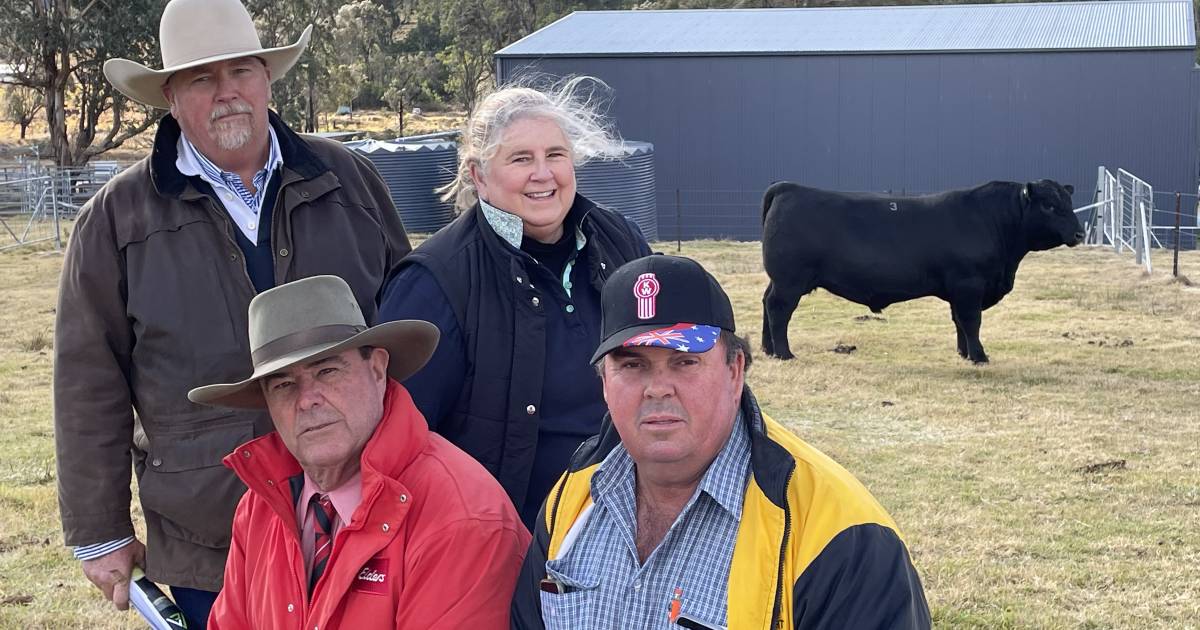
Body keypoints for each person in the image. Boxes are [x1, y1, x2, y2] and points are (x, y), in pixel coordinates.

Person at [53, 0, 410, 626]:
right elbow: (88, 380)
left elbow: (402, 322)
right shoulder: (115, 220)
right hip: (207, 531)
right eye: (201, 78)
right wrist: (99, 529)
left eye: (241, 71)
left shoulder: (349, 180)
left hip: (363, 509)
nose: (227, 93)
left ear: (267, 78)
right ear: (169, 95)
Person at [511, 254, 931, 629]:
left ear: (735, 371)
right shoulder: (573, 496)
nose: (658, 388)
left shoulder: (841, 533)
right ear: (604, 381)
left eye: (684, 362)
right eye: (633, 364)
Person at [378, 77, 652, 527]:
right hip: (511, 544)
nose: (542, 174)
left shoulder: (621, 240)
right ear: (479, 175)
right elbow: (400, 441)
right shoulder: (435, 281)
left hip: (634, 527)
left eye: (555, 155)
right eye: (520, 158)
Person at [187, 275, 529, 629]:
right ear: (267, 404)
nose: (307, 399)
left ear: (378, 370)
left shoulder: (463, 520)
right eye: (284, 384)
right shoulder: (259, 507)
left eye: (328, 370)